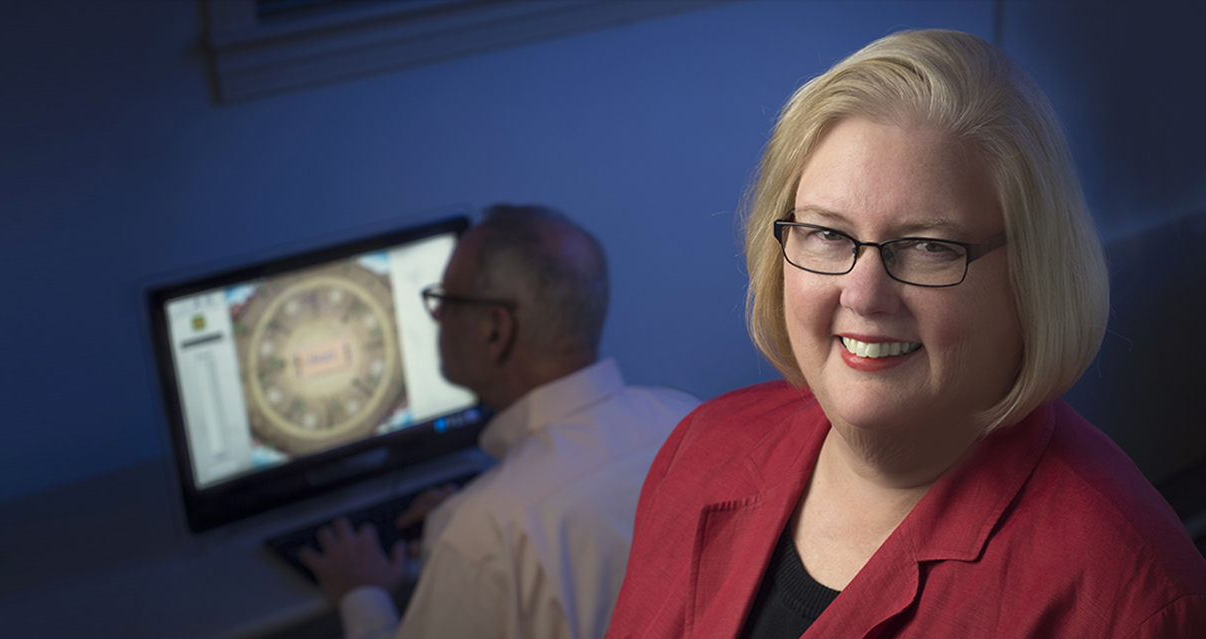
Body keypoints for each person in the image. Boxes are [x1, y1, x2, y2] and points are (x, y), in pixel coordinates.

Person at [605, 29, 1206, 638]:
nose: (863, 295)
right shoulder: (700, 449)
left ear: (1031, 275)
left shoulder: (1131, 599)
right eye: (828, 234)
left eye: (927, 245)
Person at [299, 204, 701, 639]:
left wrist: (364, 595)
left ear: (494, 330)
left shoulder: (484, 532)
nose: (436, 318)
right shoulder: (690, 421)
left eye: (444, 301)